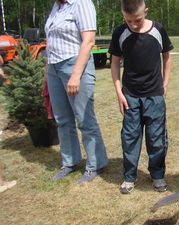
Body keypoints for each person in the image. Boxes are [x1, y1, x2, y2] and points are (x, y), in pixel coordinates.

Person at [108, 0, 173, 194]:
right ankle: (129, 177)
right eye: (128, 21)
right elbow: (114, 63)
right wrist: (119, 92)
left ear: (145, 11)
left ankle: (158, 175)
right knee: (130, 137)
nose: (133, 24)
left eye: (137, 20)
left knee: (156, 138)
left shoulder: (158, 30)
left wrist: (165, 84)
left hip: (154, 96)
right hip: (130, 96)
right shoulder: (120, 33)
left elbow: (167, 57)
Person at [44, 0, 108, 184]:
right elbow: (51, 41)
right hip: (54, 68)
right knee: (62, 120)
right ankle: (70, 162)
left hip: (74, 65)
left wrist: (75, 75)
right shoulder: (57, 6)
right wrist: (47, 72)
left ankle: (96, 164)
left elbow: (88, 41)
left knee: (84, 119)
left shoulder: (82, 3)